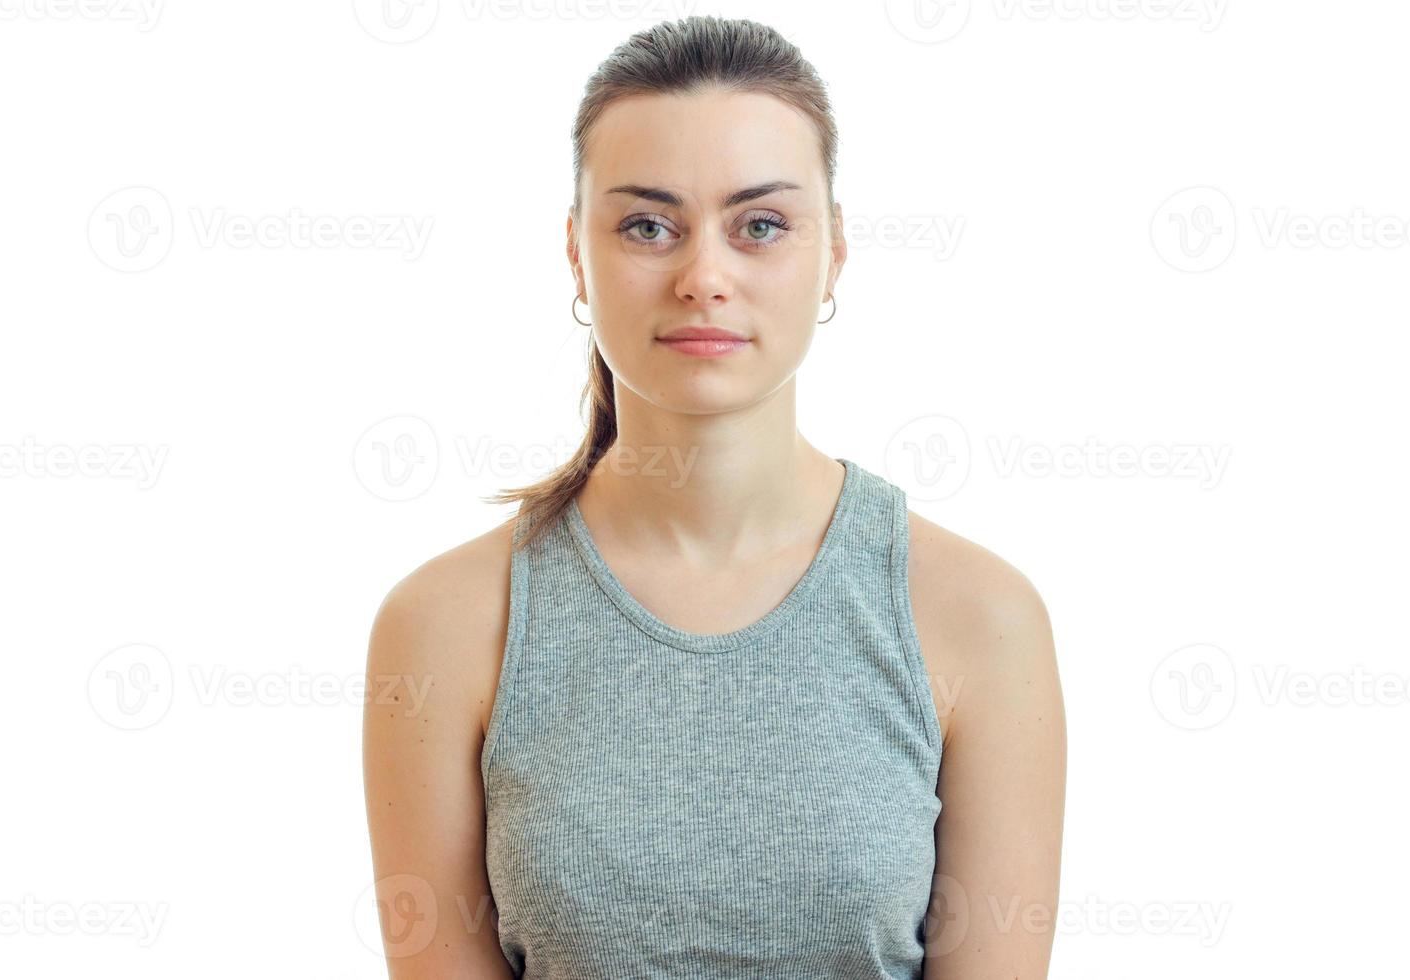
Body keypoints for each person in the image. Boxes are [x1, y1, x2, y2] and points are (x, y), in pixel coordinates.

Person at [362, 15, 1065, 979]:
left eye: (760, 226)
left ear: (836, 253)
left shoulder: (980, 619)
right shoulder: (443, 626)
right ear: (577, 254)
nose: (703, 277)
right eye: (647, 226)